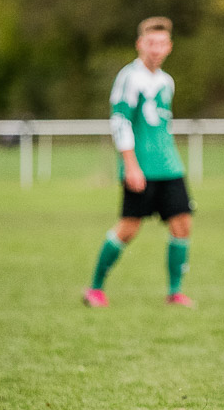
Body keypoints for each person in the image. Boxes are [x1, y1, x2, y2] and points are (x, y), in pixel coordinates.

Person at [83, 17, 194, 309]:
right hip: (141, 167)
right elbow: (120, 121)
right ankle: (95, 288)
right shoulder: (129, 78)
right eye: (150, 43)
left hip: (169, 166)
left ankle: (174, 292)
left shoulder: (166, 81)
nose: (156, 49)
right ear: (139, 44)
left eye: (161, 44)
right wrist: (130, 165)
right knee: (128, 228)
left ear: (169, 47)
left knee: (182, 223)